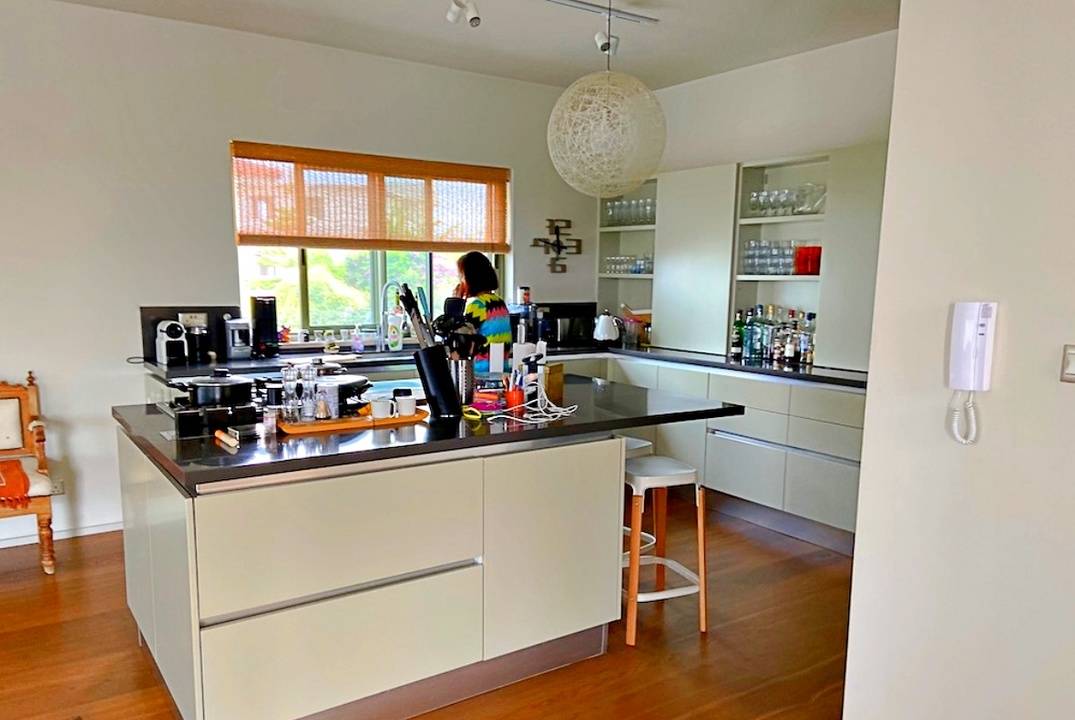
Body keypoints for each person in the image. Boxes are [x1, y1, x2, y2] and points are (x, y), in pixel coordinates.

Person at [455, 251, 511, 372]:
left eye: (461, 276)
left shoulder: (478, 306)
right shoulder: (499, 302)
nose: (460, 281)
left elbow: (462, 340)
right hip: (502, 371)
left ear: (470, 277)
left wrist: (457, 300)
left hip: (481, 372)